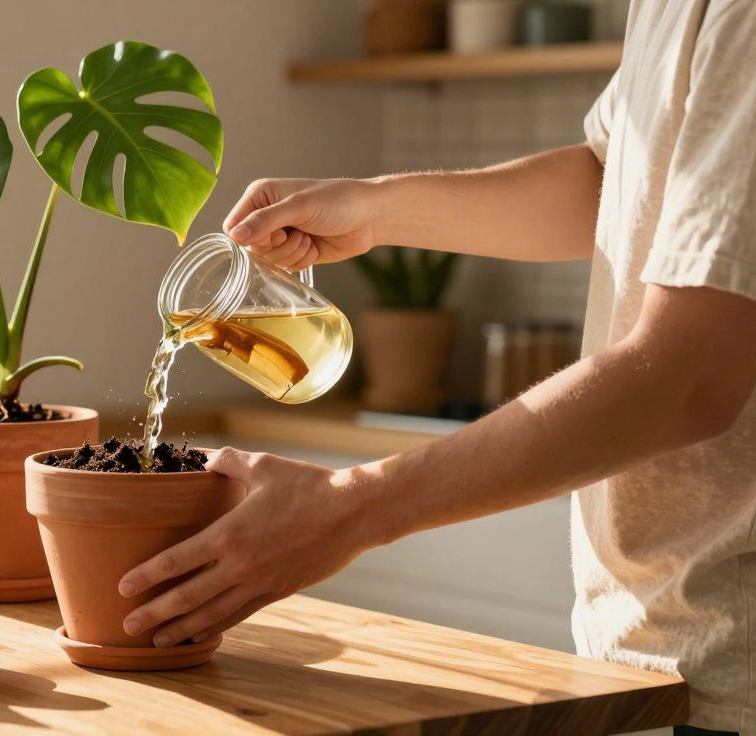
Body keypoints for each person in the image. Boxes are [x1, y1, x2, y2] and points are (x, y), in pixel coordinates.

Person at [118, 2, 756, 734]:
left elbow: (690, 379)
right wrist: (376, 208)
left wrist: (349, 507)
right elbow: (615, 181)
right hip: (654, 647)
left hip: (735, 668)